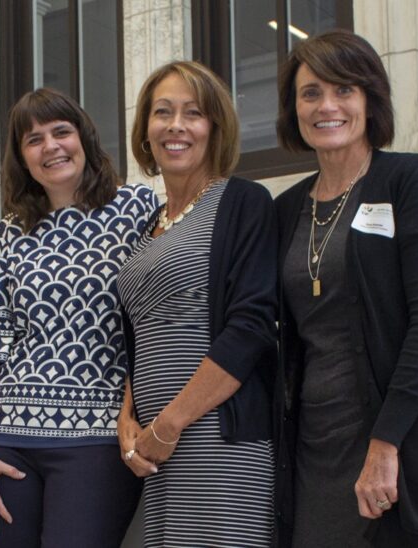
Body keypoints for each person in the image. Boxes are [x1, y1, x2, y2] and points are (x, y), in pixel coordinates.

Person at [273, 30, 418, 548]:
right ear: (294, 108)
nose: (327, 106)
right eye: (311, 92)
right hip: (313, 452)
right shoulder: (284, 209)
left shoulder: (408, 181)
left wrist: (385, 444)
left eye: (344, 90)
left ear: (369, 100)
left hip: (400, 447)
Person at [0, 88, 157, 548]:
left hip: (97, 440)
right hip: (7, 440)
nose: (50, 146)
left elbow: (149, 326)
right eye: (34, 139)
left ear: (84, 138)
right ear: (21, 158)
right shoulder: (12, 228)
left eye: (61, 132)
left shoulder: (137, 209)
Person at [116, 60, 279, 547]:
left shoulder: (243, 202)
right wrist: (128, 419)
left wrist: (170, 422)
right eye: (162, 112)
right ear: (146, 130)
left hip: (218, 441)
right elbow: (141, 337)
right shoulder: (148, 227)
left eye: (193, 113)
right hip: (156, 449)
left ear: (215, 127)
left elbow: (251, 327)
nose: (176, 126)